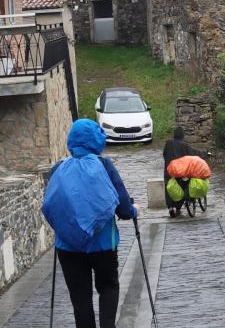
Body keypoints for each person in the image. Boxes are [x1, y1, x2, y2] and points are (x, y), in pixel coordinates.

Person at [47, 119, 139, 328]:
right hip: (103, 245)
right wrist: (134, 211)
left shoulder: (58, 168)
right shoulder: (104, 165)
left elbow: (55, 204)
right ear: (98, 140)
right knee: (108, 287)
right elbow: (123, 209)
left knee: (80, 299)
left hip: (68, 247)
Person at [163, 126, 202, 217]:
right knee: (181, 187)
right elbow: (194, 153)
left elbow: (164, 155)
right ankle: (178, 208)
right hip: (180, 172)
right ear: (182, 136)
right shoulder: (185, 146)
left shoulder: (168, 144)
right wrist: (206, 154)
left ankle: (170, 207)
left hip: (169, 171)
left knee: (169, 187)